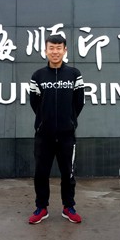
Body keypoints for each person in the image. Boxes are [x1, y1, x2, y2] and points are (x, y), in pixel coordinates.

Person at [28, 34, 85, 224]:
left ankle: (68, 207)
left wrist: (69, 121)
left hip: (66, 135)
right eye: (51, 48)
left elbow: (79, 102)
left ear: (65, 50)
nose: (55, 51)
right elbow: (35, 103)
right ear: (45, 51)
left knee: (68, 173)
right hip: (44, 135)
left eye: (59, 48)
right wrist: (44, 121)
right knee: (41, 173)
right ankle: (41, 208)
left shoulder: (74, 74)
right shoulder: (38, 76)